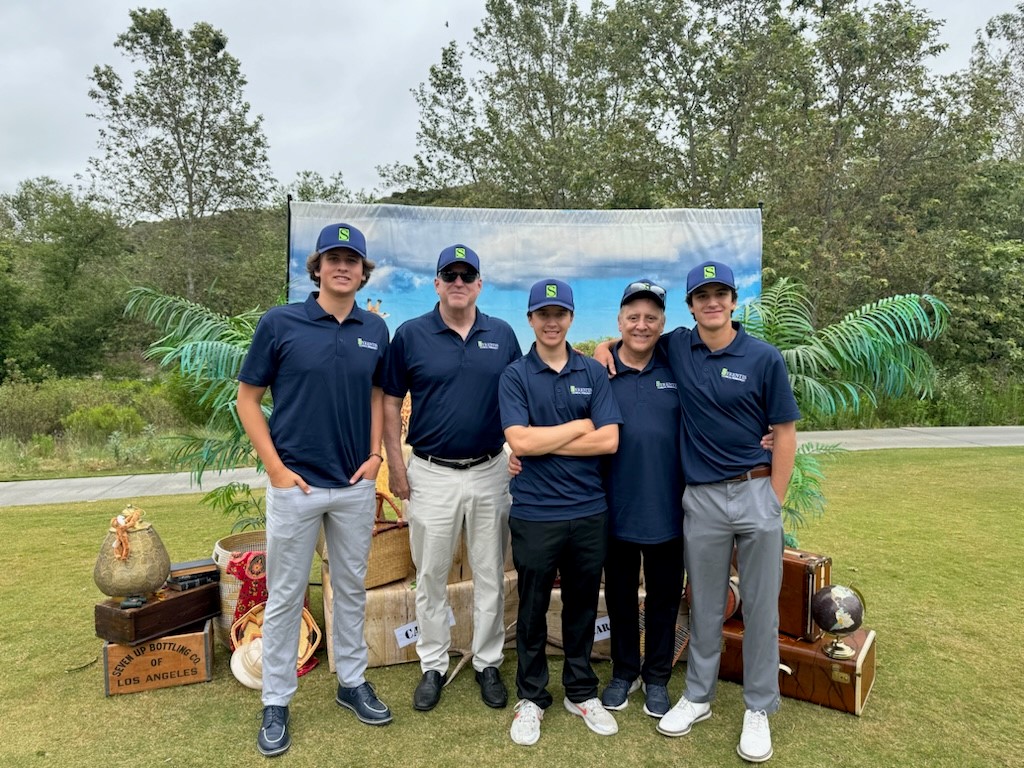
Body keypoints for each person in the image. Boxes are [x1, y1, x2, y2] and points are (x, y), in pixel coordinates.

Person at [597, 260, 799, 763]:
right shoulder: (676, 347)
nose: (711, 303)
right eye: (702, 296)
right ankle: (700, 696)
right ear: (690, 307)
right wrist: (601, 349)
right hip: (702, 498)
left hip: (754, 492)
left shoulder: (763, 357)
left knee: (759, 606)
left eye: (720, 294)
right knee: (705, 604)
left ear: (733, 301)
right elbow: (623, 343)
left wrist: (773, 497)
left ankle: (758, 706)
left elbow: (786, 432)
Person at [237, 222, 393, 758]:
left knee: (350, 590)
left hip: (353, 485)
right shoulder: (280, 323)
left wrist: (374, 457)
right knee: (285, 595)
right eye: (333, 258)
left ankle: (352, 683)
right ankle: (276, 701)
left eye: (353, 260)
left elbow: (378, 394)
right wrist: (277, 471)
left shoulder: (375, 328)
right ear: (318, 267)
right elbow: (247, 400)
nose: (343, 267)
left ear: (363, 270)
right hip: (296, 485)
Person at [382, 244, 522, 713]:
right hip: (430, 472)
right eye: (450, 275)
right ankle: (433, 664)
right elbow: (388, 401)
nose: (459, 282)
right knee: (431, 576)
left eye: (468, 275)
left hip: (489, 470)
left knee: (489, 574)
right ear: (437, 283)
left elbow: (525, 392)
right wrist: (395, 466)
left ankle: (487, 661)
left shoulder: (501, 335)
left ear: (479, 284)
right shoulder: (410, 335)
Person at [498, 278, 623, 746]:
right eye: (542, 314)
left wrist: (542, 440)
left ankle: (580, 690)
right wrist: (577, 426)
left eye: (560, 313)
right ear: (530, 319)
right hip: (534, 512)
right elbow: (520, 441)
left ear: (571, 318)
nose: (552, 322)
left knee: (582, 605)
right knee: (531, 610)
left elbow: (608, 440)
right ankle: (530, 697)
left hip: (589, 511)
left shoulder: (592, 371)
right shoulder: (515, 375)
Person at [598, 279, 685, 720]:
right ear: (619, 321)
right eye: (633, 316)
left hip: (670, 508)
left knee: (665, 598)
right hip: (616, 508)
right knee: (619, 596)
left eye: (651, 317)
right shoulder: (599, 370)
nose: (641, 324)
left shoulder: (677, 365)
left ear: (663, 323)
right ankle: (623, 672)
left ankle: (656, 678)